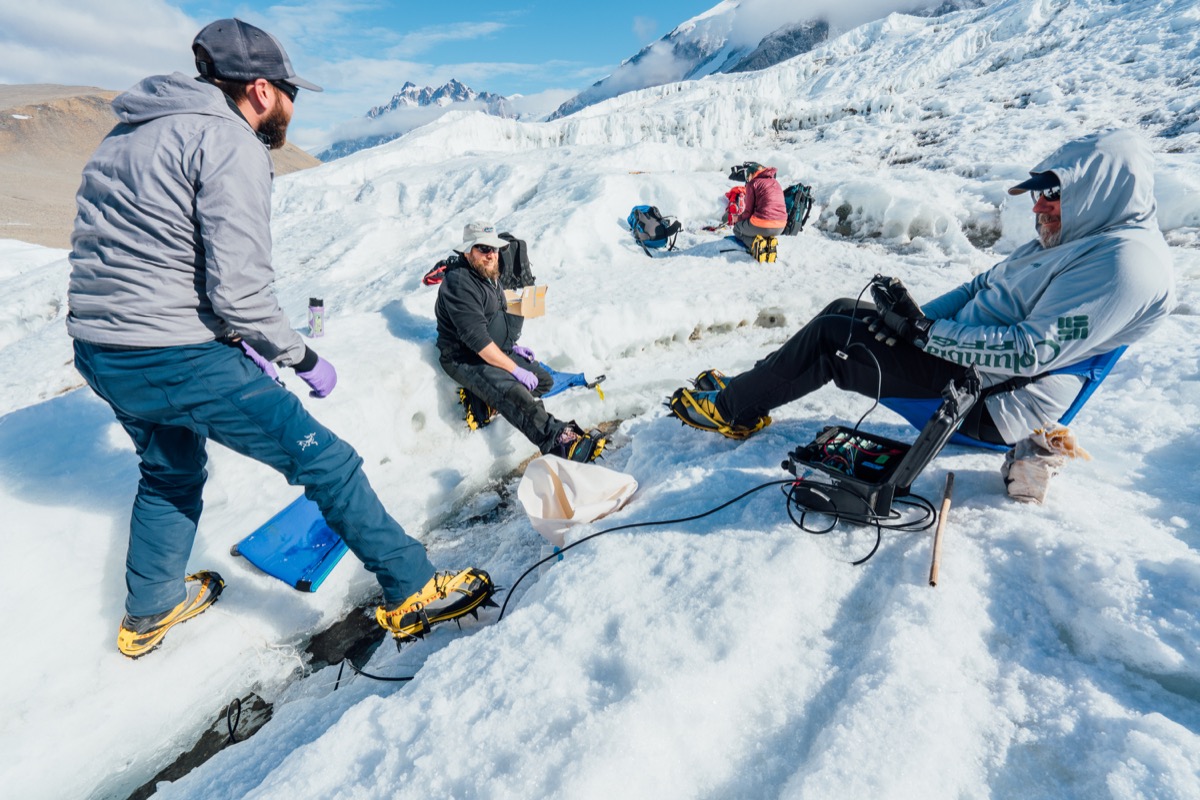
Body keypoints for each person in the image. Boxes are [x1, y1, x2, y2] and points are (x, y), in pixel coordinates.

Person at [68, 18, 492, 658]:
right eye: (292, 93)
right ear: (261, 91)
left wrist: (227, 340)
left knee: (169, 471)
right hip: (177, 356)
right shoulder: (228, 140)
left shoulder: (127, 135)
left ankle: (150, 609)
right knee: (327, 460)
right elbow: (239, 292)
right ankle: (412, 586)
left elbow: (140, 258)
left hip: (101, 352)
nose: (293, 109)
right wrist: (300, 355)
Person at [671, 129, 1175, 452]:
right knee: (845, 314)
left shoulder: (1126, 266)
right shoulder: (1080, 238)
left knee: (833, 336)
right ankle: (750, 388)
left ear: (1098, 193)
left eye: (1053, 194)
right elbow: (983, 284)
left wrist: (925, 334)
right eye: (1040, 193)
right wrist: (906, 328)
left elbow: (1030, 351)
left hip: (986, 402)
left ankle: (731, 410)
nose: (1039, 205)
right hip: (962, 365)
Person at [435, 221, 606, 462]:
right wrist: (514, 369)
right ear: (467, 251)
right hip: (465, 357)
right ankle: (556, 439)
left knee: (543, 381)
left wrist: (510, 347)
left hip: (491, 349)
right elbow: (477, 340)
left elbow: (492, 319)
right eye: (483, 249)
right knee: (513, 390)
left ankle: (483, 400)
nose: (491, 255)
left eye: (493, 249)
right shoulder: (460, 284)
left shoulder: (487, 275)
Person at [731, 161, 788, 262]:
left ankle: (755, 244)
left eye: (748, 176)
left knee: (737, 229)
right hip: (781, 226)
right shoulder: (775, 182)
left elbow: (748, 212)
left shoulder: (753, 183)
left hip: (763, 224)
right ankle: (769, 243)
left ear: (752, 174)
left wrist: (738, 219)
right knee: (757, 226)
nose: (747, 179)